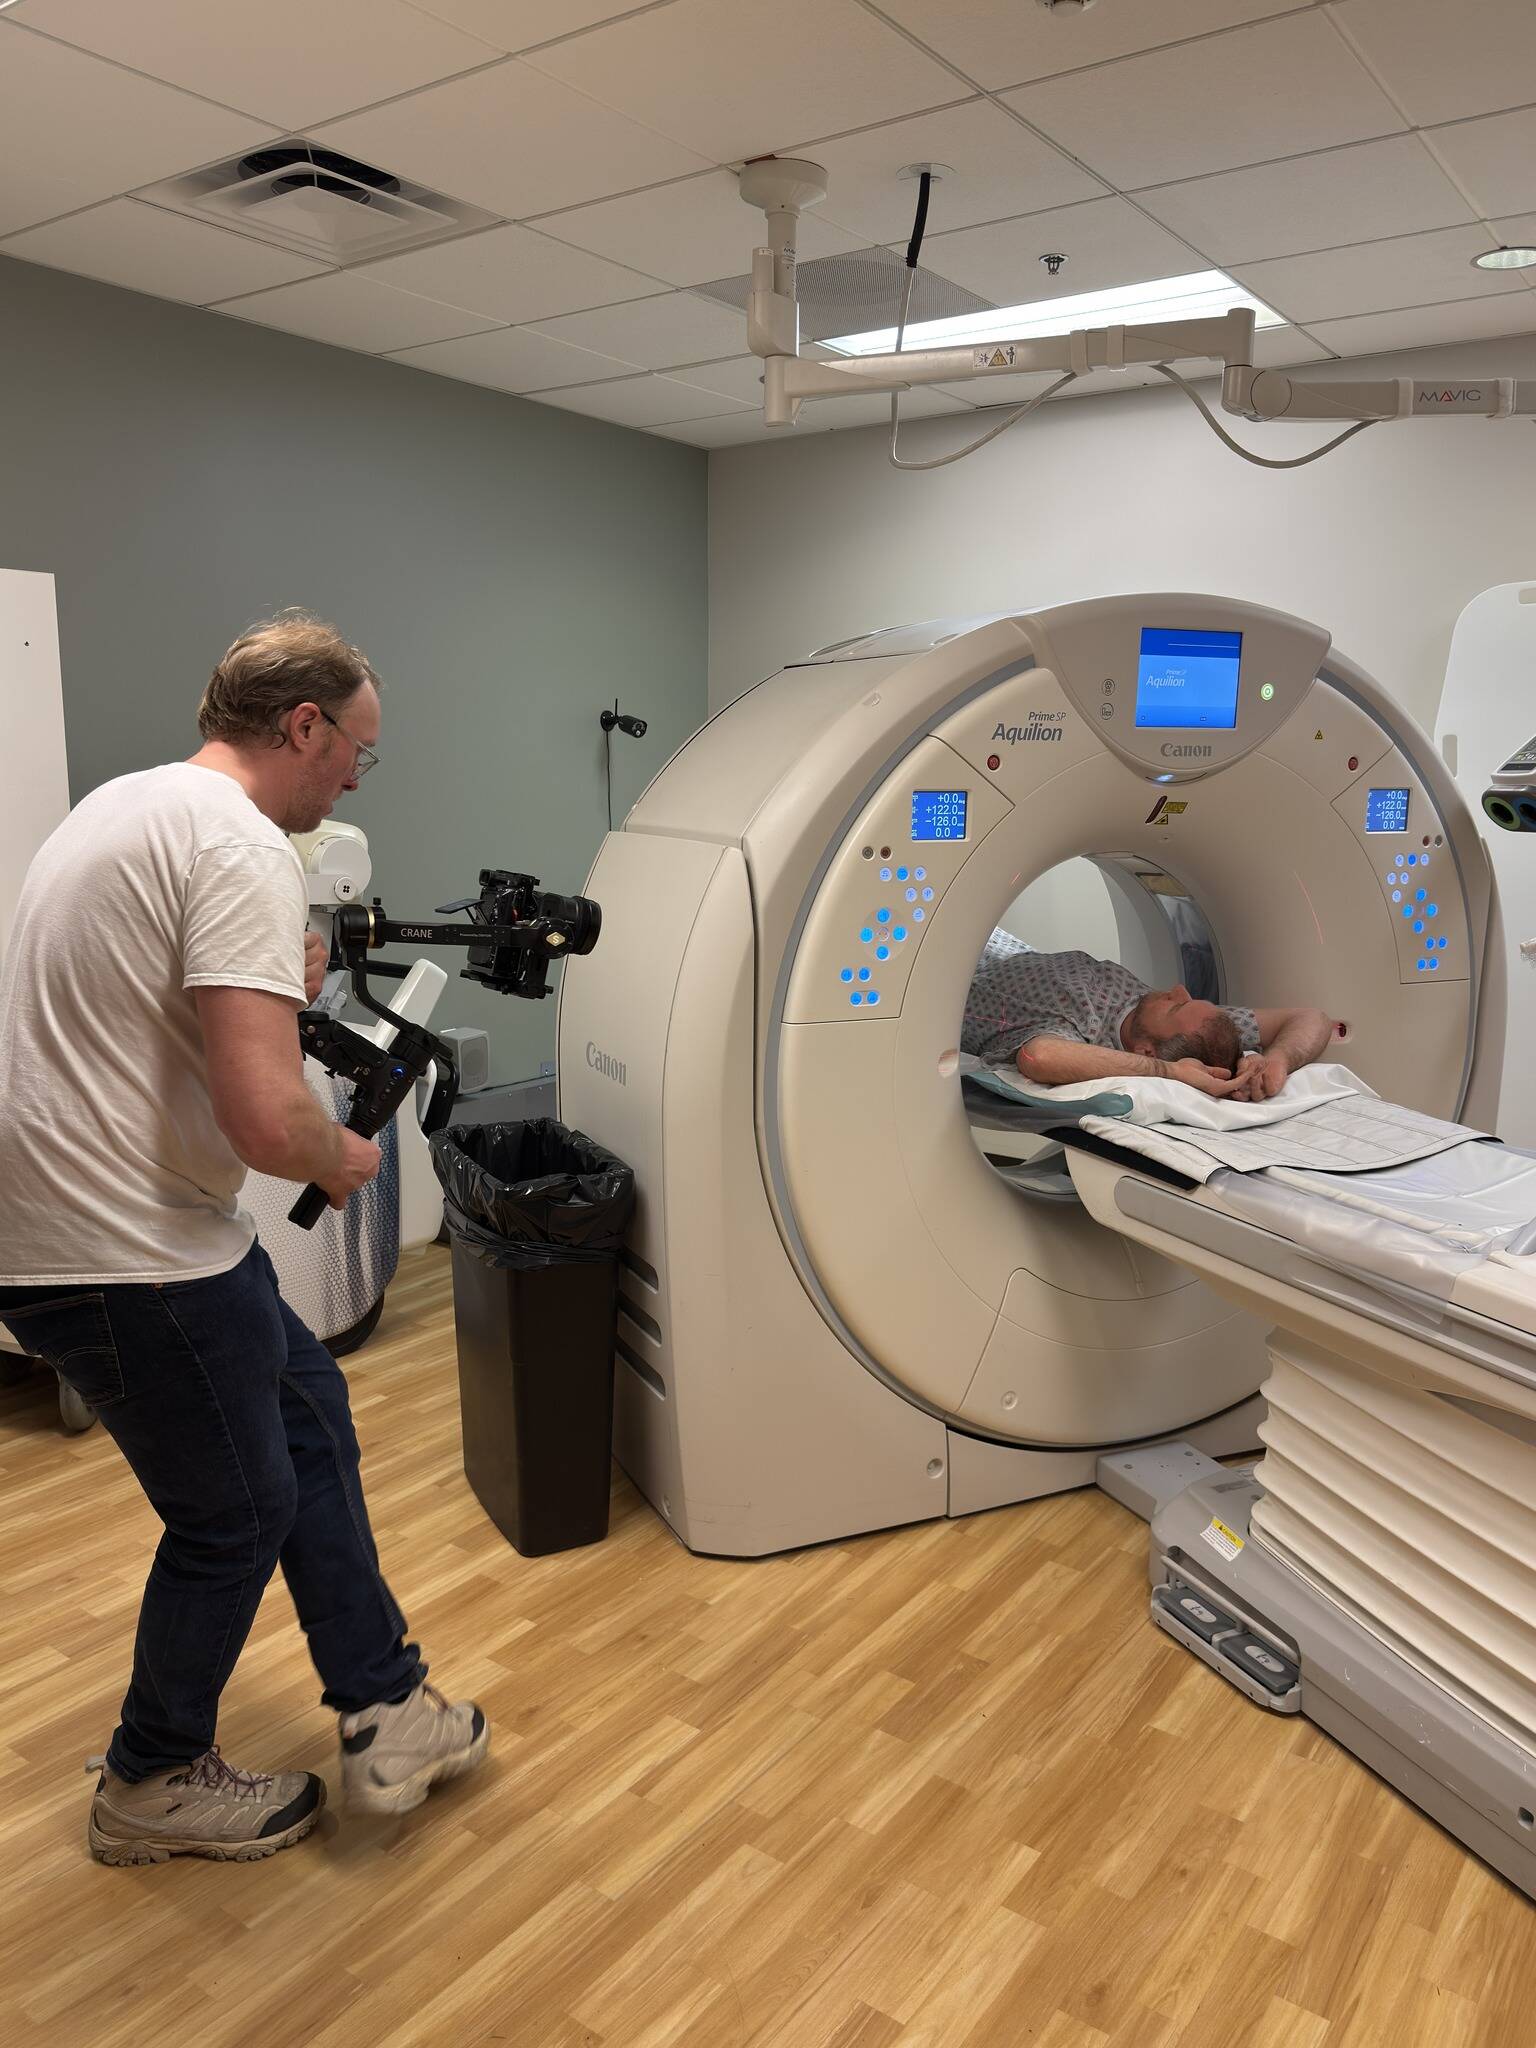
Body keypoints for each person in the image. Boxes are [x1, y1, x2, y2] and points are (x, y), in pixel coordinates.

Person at [0, 613, 489, 1866]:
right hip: (121, 1241)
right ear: (306, 726)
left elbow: (156, 1006)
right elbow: (269, 1117)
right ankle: (150, 1775)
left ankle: (386, 1705)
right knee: (235, 1509)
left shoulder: (137, 803)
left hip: (102, 1217)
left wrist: (276, 971)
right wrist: (346, 1153)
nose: (349, 783)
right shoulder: (242, 844)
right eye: (356, 756)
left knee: (309, 1407)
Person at [962, 943, 1334, 1100]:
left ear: (1146, 1050)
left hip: (960, 974)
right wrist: (1278, 1060)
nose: (1177, 990)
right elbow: (1311, 1017)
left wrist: (1168, 1074)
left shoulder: (1082, 1037)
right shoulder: (1206, 1027)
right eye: (1186, 999)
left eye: (1175, 1007)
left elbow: (1039, 1057)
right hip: (1008, 948)